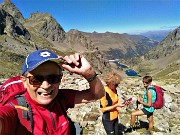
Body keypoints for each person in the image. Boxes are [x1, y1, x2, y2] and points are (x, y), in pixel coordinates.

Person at [0, 49, 105, 135]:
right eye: (36, 79)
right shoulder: (15, 109)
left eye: (53, 78)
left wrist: (89, 73)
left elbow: (96, 94)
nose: (45, 86)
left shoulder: (61, 97)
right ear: (24, 82)